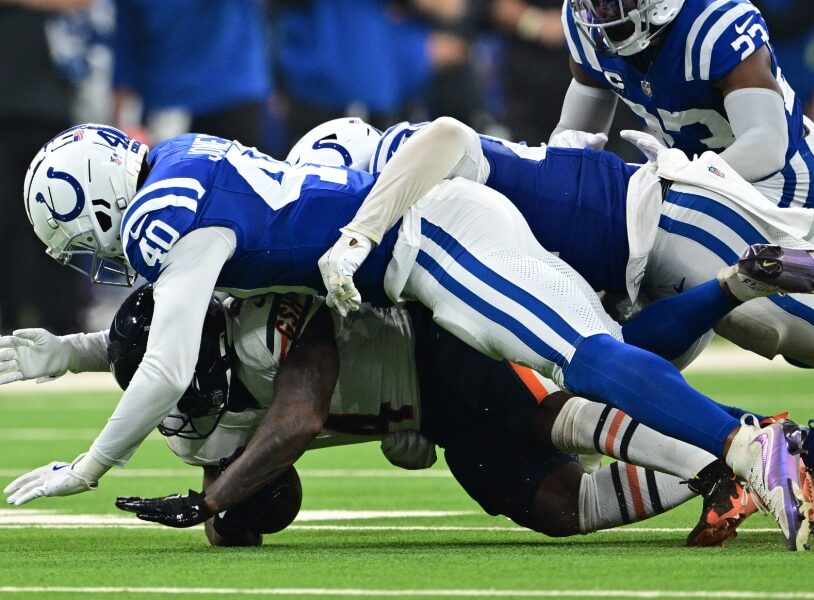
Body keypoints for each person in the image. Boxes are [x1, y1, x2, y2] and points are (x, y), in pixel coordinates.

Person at [13, 122, 811, 549]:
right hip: (422, 261)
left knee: (590, 361)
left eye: (86, 241)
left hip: (430, 243)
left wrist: (89, 467)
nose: (100, 260)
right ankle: (754, 445)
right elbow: (169, 334)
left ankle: (754, 452)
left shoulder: (162, 218)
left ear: (104, 206)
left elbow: (165, 362)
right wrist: (65, 354)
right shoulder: (184, 162)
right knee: (602, 353)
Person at [3, 285, 766, 547]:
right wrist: (227, 517)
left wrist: (213, 498)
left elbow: (298, 418)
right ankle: (729, 475)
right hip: (423, 409)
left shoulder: (260, 320)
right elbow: (266, 491)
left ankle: (739, 454)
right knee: (555, 507)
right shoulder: (185, 402)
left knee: (549, 415)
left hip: (437, 337)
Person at [362, 118, 814, 367]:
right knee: (616, 365)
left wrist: (359, 232)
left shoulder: (400, 162)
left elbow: (446, 135)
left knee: (801, 332)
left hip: (665, 220)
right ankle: (759, 453)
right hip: (642, 269)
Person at [553, 0, 814, 209]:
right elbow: (571, 131)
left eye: (615, 3)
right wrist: (561, 161)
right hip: (684, 184)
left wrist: (678, 179)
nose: (604, 14)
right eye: (596, 4)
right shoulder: (584, 27)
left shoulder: (714, 22)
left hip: (781, 189)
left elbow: (766, 145)